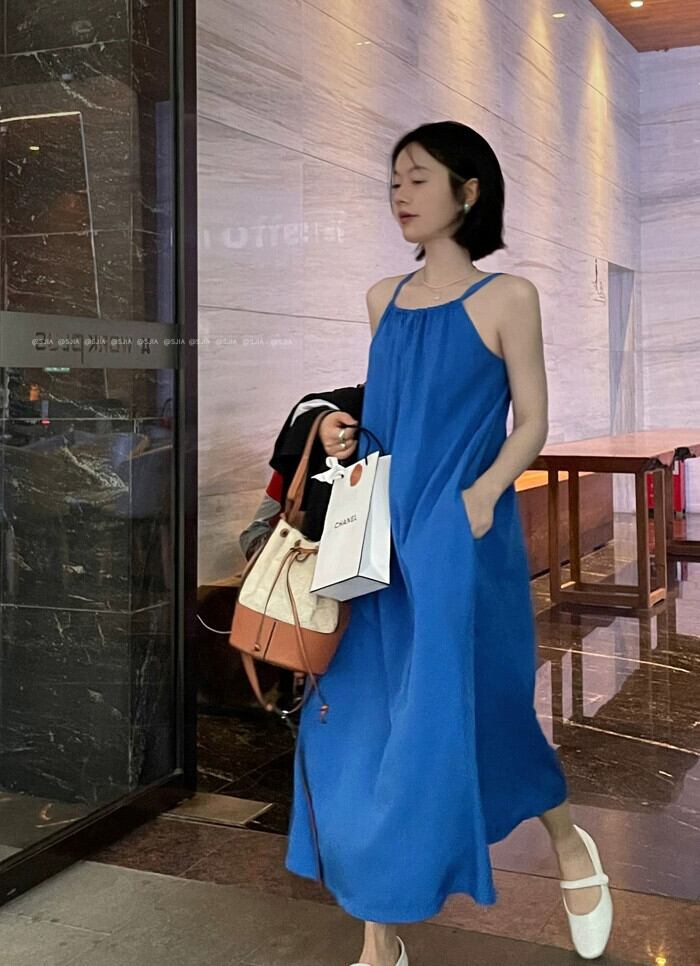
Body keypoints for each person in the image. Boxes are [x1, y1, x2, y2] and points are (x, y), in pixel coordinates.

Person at [284, 121, 613, 966]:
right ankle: (379, 941)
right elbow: (391, 412)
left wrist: (484, 492)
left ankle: (570, 843)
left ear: (468, 192)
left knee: (473, 713)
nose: (400, 194)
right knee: (366, 726)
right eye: (394, 179)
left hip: (462, 541)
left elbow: (531, 420)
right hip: (380, 543)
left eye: (418, 178)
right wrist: (342, 433)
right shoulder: (381, 300)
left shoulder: (508, 298)